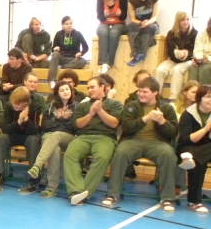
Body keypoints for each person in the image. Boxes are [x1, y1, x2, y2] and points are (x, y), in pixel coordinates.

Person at [102, 77, 177, 211]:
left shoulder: (167, 108)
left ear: (155, 93)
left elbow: (173, 133)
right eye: (139, 91)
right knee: (121, 152)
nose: (140, 94)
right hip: (133, 141)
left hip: (157, 143)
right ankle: (112, 194)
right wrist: (145, 119)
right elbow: (126, 127)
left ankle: (167, 198)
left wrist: (162, 122)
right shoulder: (131, 106)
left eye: (145, 92)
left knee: (168, 155)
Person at [62, 76, 123, 205]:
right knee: (70, 155)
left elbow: (114, 124)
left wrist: (99, 111)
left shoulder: (115, 104)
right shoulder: (83, 105)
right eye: (88, 88)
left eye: (92, 87)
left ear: (102, 87)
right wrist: (90, 114)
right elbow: (78, 124)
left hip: (105, 137)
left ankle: (83, 193)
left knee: (102, 157)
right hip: (83, 137)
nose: (89, 90)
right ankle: (75, 191)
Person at [26, 80, 78, 198]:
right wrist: (56, 119)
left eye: (67, 89)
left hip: (68, 137)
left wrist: (67, 120)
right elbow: (44, 126)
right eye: (62, 90)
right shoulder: (50, 106)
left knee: (57, 134)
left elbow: (76, 128)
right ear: (57, 93)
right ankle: (51, 188)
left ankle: (37, 166)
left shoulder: (77, 107)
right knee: (54, 149)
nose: (65, 92)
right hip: (49, 137)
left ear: (71, 91)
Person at [0, 87, 40, 194]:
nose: (13, 105)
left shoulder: (35, 106)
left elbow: (35, 131)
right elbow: (5, 128)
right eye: (13, 102)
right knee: (2, 138)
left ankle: (33, 180)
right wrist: (19, 122)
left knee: (34, 140)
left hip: (28, 136)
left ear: (25, 103)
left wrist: (26, 120)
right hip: (13, 135)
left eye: (17, 103)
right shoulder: (9, 106)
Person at [177, 84, 211, 213]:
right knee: (199, 164)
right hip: (187, 147)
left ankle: (192, 156)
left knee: (197, 158)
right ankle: (194, 202)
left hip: (205, 149)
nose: (210, 100)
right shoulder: (188, 114)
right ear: (199, 98)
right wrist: (206, 129)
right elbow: (186, 139)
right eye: (207, 97)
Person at [152, 12, 197, 99]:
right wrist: (177, 53)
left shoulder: (195, 33)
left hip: (188, 60)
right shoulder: (171, 33)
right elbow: (170, 50)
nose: (185, 22)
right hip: (173, 60)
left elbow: (195, 51)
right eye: (182, 20)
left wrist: (186, 53)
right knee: (159, 70)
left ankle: (174, 99)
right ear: (177, 21)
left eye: (188, 19)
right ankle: (155, 97)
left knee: (177, 70)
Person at [126, 0, 160, 66]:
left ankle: (140, 55)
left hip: (151, 23)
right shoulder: (132, 1)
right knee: (130, 26)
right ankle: (137, 53)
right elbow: (133, 19)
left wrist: (147, 23)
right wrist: (141, 23)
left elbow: (155, 17)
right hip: (138, 24)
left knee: (149, 28)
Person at [96, 0, 128, 73]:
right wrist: (104, 16)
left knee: (114, 33)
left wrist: (120, 14)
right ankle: (104, 62)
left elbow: (124, 17)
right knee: (103, 32)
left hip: (118, 23)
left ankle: (109, 63)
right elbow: (99, 17)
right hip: (104, 23)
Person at [48, 16, 89, 85]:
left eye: (70, 23)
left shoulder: (78, 34)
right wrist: (55, 49)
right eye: (66, 24)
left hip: (73, 59)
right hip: (62, 57)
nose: (69, 25)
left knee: (83, 61)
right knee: (55, 54)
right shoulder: (58, 34)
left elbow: (86, 47)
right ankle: (51, 80)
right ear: (62, 25)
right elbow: (53, 49)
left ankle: (62, 67)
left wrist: (81, 53)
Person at [191, 16, 211, 85]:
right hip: (203, 60)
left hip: (209, 61)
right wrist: (199, 59)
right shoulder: (201, 34)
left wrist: (207, 59)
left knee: (205, 69)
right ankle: (193, 90)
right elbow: (197, 50)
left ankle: (205, 91)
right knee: (192, 67)